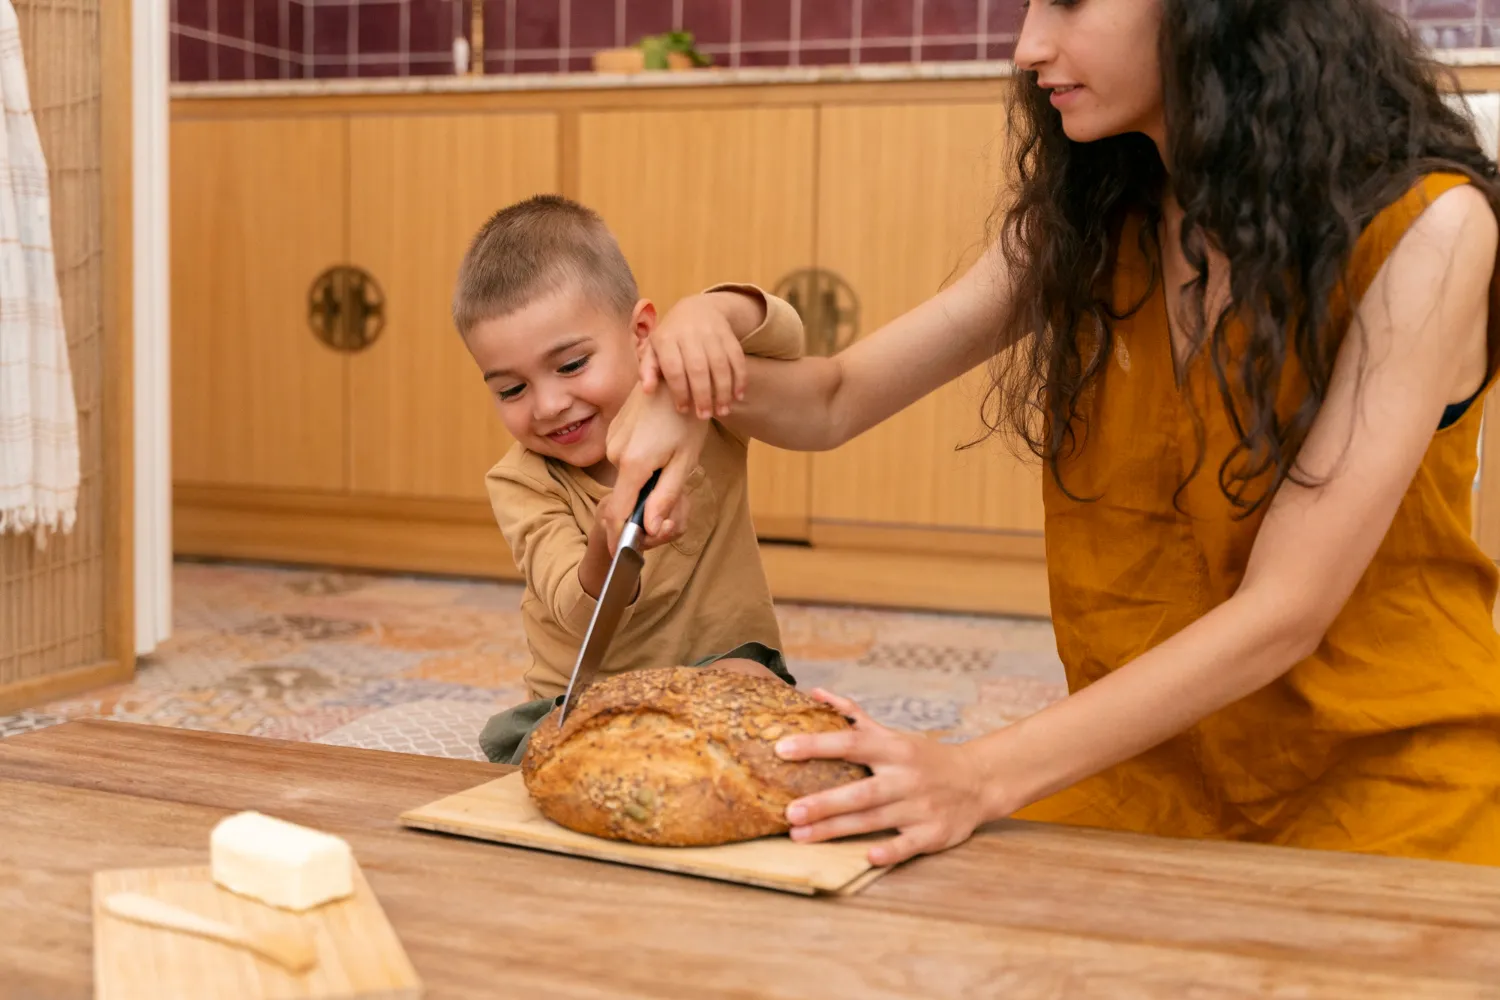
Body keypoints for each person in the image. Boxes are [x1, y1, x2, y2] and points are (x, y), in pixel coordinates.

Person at [601, 0, 1500, 867]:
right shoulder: (1099, 215)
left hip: (1393, 781)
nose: (1028, 45)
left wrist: (977, 773)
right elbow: (836, 399)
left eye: (1069, 2)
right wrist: (687, 374)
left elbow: (1285, 611)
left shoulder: (1431, 229)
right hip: (1145, 776)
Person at [451, 195, 807, 764]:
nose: (546, 405)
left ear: (642, 332)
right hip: (581, 698)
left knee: (757, 702)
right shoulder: (520, 480)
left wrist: (710, 314)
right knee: (568, 762)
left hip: (719, 666)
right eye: (510, 390)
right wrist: (603, 542)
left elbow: (788, 341)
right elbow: (572, 605)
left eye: (570, 366)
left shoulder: (697, 403)